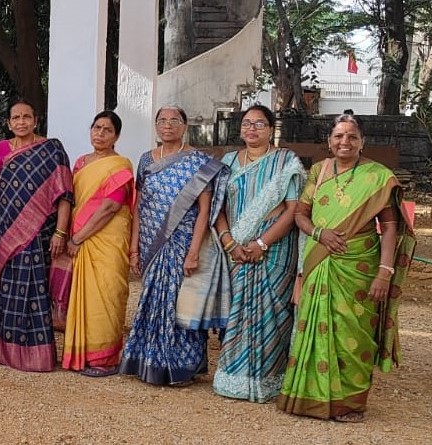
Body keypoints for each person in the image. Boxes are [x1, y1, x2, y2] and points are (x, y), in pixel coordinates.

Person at [278, 114, 416, 422]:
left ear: (362, 142)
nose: (345, 142)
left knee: (355, 331)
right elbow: (301, 214)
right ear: (329, 141)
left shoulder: (378, 176)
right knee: (313, 326)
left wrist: (384, 272)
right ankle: (308, 398)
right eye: (339, 136)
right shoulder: (319, 170)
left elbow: (391, 227)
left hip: (361, 265)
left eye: (352, 136)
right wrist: (319, 233)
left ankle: (349, 404)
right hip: (320, 259)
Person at [118, 106, 225, 386]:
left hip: (182, 242)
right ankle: (149, 361)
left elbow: (204, 210)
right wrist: (134, 249)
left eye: (174, 120)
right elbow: (139, 206)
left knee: (179, 303)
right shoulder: (146, 160)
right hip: (151, 242)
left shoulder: (199, 162)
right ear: (156, 126)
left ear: (185, 125)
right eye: (162, 120)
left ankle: (181, 365)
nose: (168, 125)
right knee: (153, 299)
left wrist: (192, 252)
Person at [209, 105, 304, 402]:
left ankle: (269, 380)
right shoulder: (227, 162)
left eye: (259, 124)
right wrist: (229, 243)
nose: (252, 129)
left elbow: (293, 211)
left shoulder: (285, 161)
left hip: (274, 251)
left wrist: (261, 243)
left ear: (270, 128)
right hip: (235, 250)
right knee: (238, 312)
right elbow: (218, 208)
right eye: (247, 123)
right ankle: (234, 376)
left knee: (272, 313)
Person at [0, 100, 72, 371]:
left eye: (26, 117)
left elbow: (64, 194)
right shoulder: (1, 149)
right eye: (16, 118)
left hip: (38, 231)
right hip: (3, 229)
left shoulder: (51, 149)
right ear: (8, 123)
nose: (21, 122)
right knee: (5, 287)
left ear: (35, 120)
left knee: (32, 286)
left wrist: (60, 232)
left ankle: (34, 354)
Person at [61, 111, 135, 376]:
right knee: (85, 297)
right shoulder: (81, 163)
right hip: (81, 238)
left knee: (107, 294)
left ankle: (106, 359)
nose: (100, 134)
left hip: (107, 239)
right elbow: (73, 200)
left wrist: (78, 237)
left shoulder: (120, 165)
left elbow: (110, 207)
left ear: (116, 136)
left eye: (107, 130)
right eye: (96, 128)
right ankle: (83, 354)